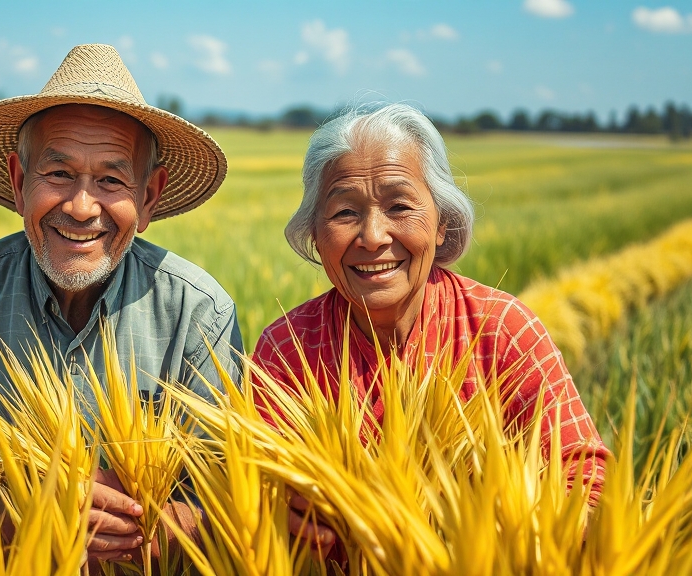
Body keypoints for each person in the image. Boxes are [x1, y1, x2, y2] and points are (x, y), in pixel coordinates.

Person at [0, 44, 243, 564]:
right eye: (58, 174)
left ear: (149, 197)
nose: (80, 207)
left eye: (112, 180)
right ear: (19, 182)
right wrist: (27, 515)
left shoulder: (197, 313)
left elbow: (231, 497)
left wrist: (144, 530)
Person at [251, 103, 609, 550]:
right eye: (345, 213)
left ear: (441, 224)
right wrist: (273, 508)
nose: (374, 236)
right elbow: (250, 487)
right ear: (315, 235)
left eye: (399, 206)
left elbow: (588, 481)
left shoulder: (502, 331)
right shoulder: (287, 350)